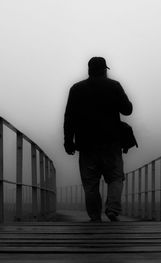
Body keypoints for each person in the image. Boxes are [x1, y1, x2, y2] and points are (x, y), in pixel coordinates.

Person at [63, 57, 133, 222]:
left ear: (89, 70)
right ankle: (112, 209)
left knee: (90, 183)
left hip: (86, 144)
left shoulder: (76, 89)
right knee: (115, 177)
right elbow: (128, 110)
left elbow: (69, 118)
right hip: (111, 142)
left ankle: (95, 216)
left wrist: (68, 141)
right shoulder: (114, 86)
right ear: (104, 70)